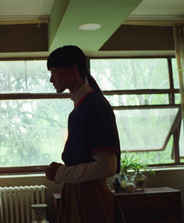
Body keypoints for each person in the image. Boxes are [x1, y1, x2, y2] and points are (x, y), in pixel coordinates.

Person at [45, 45, 125, 223]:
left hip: (90, 200)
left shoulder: (96, 106)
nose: (51, 79)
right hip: (78, 196)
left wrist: (61, 173)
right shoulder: (78, 111)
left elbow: (106, 166)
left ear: (73, 70)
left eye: (55, 71)